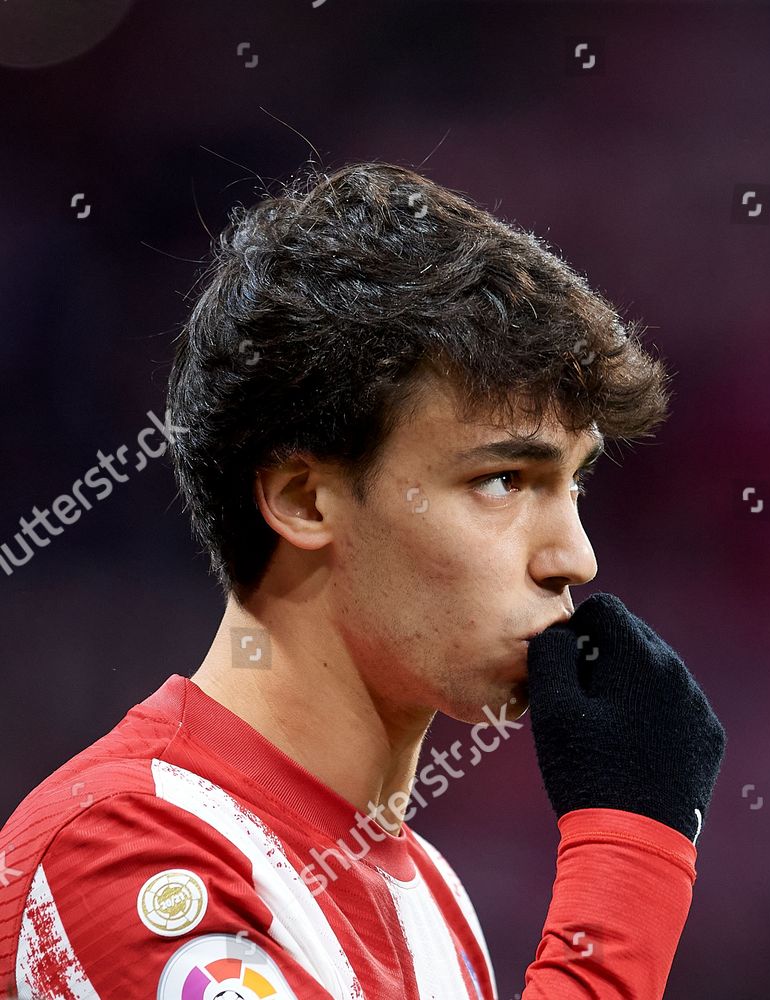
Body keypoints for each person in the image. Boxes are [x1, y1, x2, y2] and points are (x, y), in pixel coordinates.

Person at [0, 161, 727, 999]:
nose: (574, 557)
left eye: (575, 482)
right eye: (502, 480)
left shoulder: (433, 903)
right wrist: (629, 856)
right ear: (305, 500)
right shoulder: (128, 855)